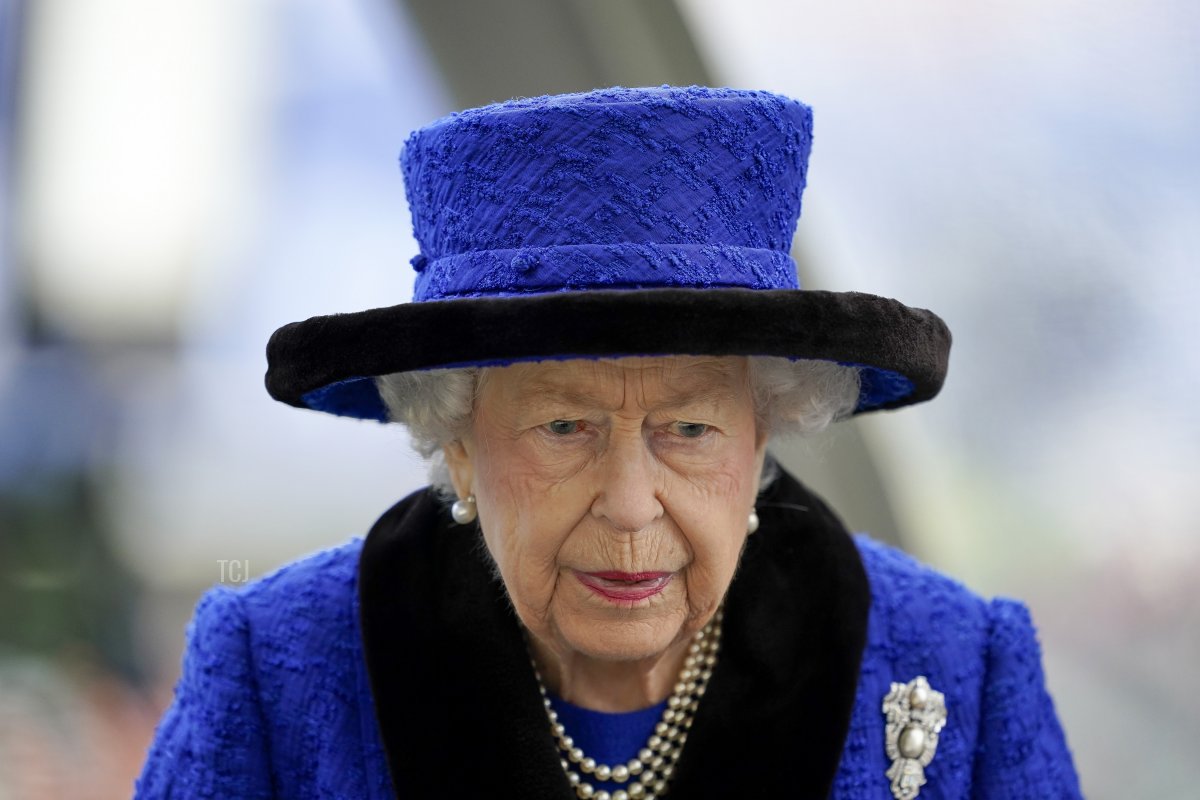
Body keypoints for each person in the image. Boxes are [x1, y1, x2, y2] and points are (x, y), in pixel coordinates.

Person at [135, 86, 1082, 799]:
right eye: (564, 427)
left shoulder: (962, 666)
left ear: (764, 435)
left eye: (689, 429)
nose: (630, 504)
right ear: (457, 441)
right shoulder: (270, 669)